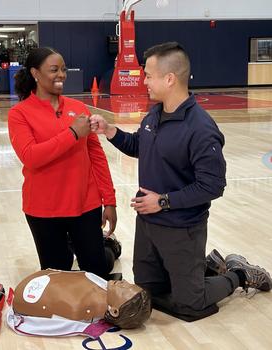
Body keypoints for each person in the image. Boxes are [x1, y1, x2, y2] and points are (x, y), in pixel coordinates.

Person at [90, 41, 272, 321]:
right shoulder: (155, 114)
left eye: (148, 75)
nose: (144, 81)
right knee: (145, 296)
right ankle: (204, 270)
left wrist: (163, 202)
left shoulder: (201, 128)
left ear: (170, 78)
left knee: (190, 304)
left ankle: (239, 274)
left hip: (182, 227)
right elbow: (140, 145)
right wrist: (111, 131)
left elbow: (213, 185)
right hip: (148, 226)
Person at [8, 47, 117, 279]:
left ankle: (108, 251)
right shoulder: (19, 114)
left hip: (85, 205)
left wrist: (109, 200)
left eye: (64, 70)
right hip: (44, 209)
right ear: (36, 74)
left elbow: (97, 157)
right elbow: (31, 156)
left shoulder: (78, 108)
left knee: (97, 272)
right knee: (57, 276)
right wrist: (72, 133)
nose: (61, 75)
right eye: (54, 70)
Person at [6, 269, 151, 338]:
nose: (124, 282)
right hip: (33, 284)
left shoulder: (77, 307)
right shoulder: (102, 287)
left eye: (125, 289)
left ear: (114, 311)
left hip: (27, 293)